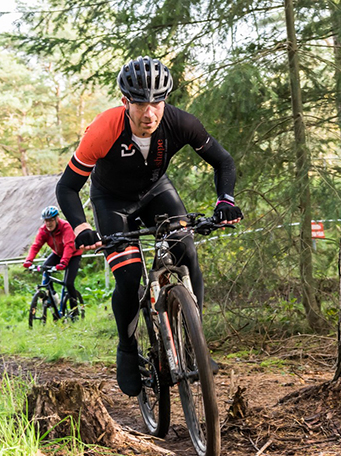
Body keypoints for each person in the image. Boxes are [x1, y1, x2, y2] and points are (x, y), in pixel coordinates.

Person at [56, 56, 243, 396]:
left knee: (186, 252)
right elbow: (67, 187)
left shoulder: (181, 123)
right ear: (125, 101)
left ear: (166, 100)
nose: (149, 113)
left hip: (157, 193)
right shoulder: (103, 129)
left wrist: (225, 201)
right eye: (140, 102)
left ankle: (194, 344)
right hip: (112, 202)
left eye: (157, 101)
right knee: (128, 278)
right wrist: (82, 227)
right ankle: (127, 350)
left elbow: (223, 162)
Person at [23, 205, 83, 309]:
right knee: (45, 269)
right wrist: (29, 260)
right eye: (46, 221)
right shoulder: (44, 230)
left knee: (68, 283)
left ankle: (75, 310)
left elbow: (69, 245)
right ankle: (53, 297)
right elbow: (36, 245)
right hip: (57, 254)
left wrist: (63, 262)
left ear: (57, 219)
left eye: (50, 220)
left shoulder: (65, 227)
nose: (48, 224)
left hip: (73, 255)